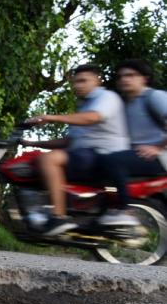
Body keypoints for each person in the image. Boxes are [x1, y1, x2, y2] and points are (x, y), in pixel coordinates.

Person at [21, 64, 134, 236]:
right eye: (75, 82)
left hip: (102, 155)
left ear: (97, 80)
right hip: (84, 155)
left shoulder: (106, 97)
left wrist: (51, 117)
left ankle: (58, 216)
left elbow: (93, 117)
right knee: (34, 162)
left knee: (49, 160)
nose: (77, 86)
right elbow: (68, 141)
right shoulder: (83, 107)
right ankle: (43, 211)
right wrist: (32, 144)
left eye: (83, 81)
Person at [97, 59, 167, 213]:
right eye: (120, 77)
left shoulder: (154, 96)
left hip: (159, 156)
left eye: (130, 75)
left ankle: (124, 212)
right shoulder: (124, 104)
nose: (124, 79)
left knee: (112, 160)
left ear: (144, 78)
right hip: (136, 156)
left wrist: (158, 147)